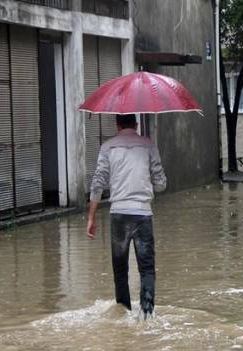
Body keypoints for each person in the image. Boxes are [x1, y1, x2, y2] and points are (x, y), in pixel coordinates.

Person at [86, 114, 166, 317]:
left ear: (117, 125)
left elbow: (97, 183)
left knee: (120, 271)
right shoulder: (148, 145)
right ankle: (147, 315)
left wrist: (91, 218)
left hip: (118, 215)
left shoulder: (107, 147)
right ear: (136, 124)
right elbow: (161, 183)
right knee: (146, 269)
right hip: (143, 214)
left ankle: (123, 314)